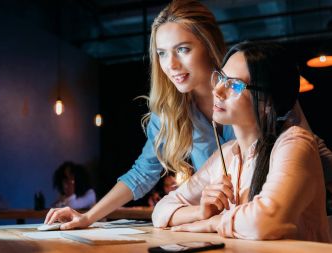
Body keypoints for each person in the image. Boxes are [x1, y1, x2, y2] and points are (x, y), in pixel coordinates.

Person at [44, 0, 332, 230]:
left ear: (207, 45)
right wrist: (87, 217)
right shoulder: (169, 112)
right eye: (162, 53)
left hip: (285, 225)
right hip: (234, 234)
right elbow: (142, 176)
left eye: (182, 49)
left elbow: (307, 149)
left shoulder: (258, 86)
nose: (171, 65)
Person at [152, 41, 331, 243]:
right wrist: (200, 213)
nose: (217, 91)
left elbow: (263, 222)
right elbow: (160, 211)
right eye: (221, 78)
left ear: (267, 103)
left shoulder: (294, 143)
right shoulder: (228, 154)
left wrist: (214, 222)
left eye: (234, 85)